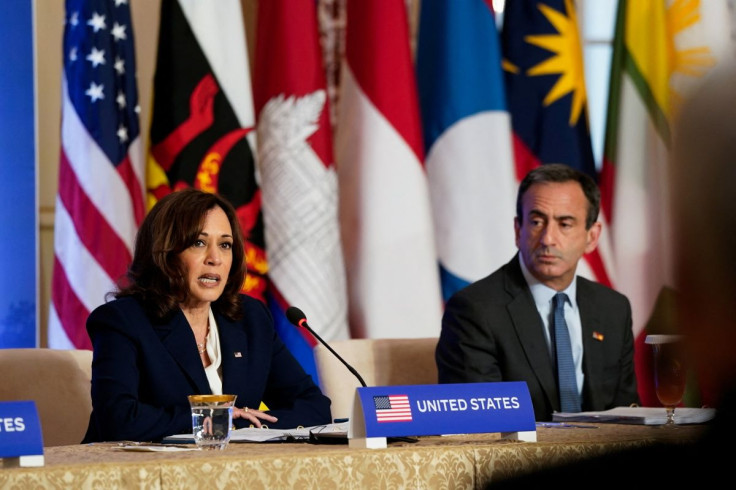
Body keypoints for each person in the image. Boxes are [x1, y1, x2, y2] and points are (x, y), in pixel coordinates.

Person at [82, 188, 331, 443]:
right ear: (165, 252)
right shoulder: (124, 321)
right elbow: (118, 420)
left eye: (225, 245)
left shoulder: (250, 319)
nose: (215, 259)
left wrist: (239, 425)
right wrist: (220, 420)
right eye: (198, 243)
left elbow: (314, 407)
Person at [436, 163, 639, 421]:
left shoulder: (613, 309)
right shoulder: (475, 310)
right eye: (536, 221)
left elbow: (627, 416)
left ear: (592, 236)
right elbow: (479, 426)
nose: (547, 239)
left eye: (565, 224)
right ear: (518, 230)